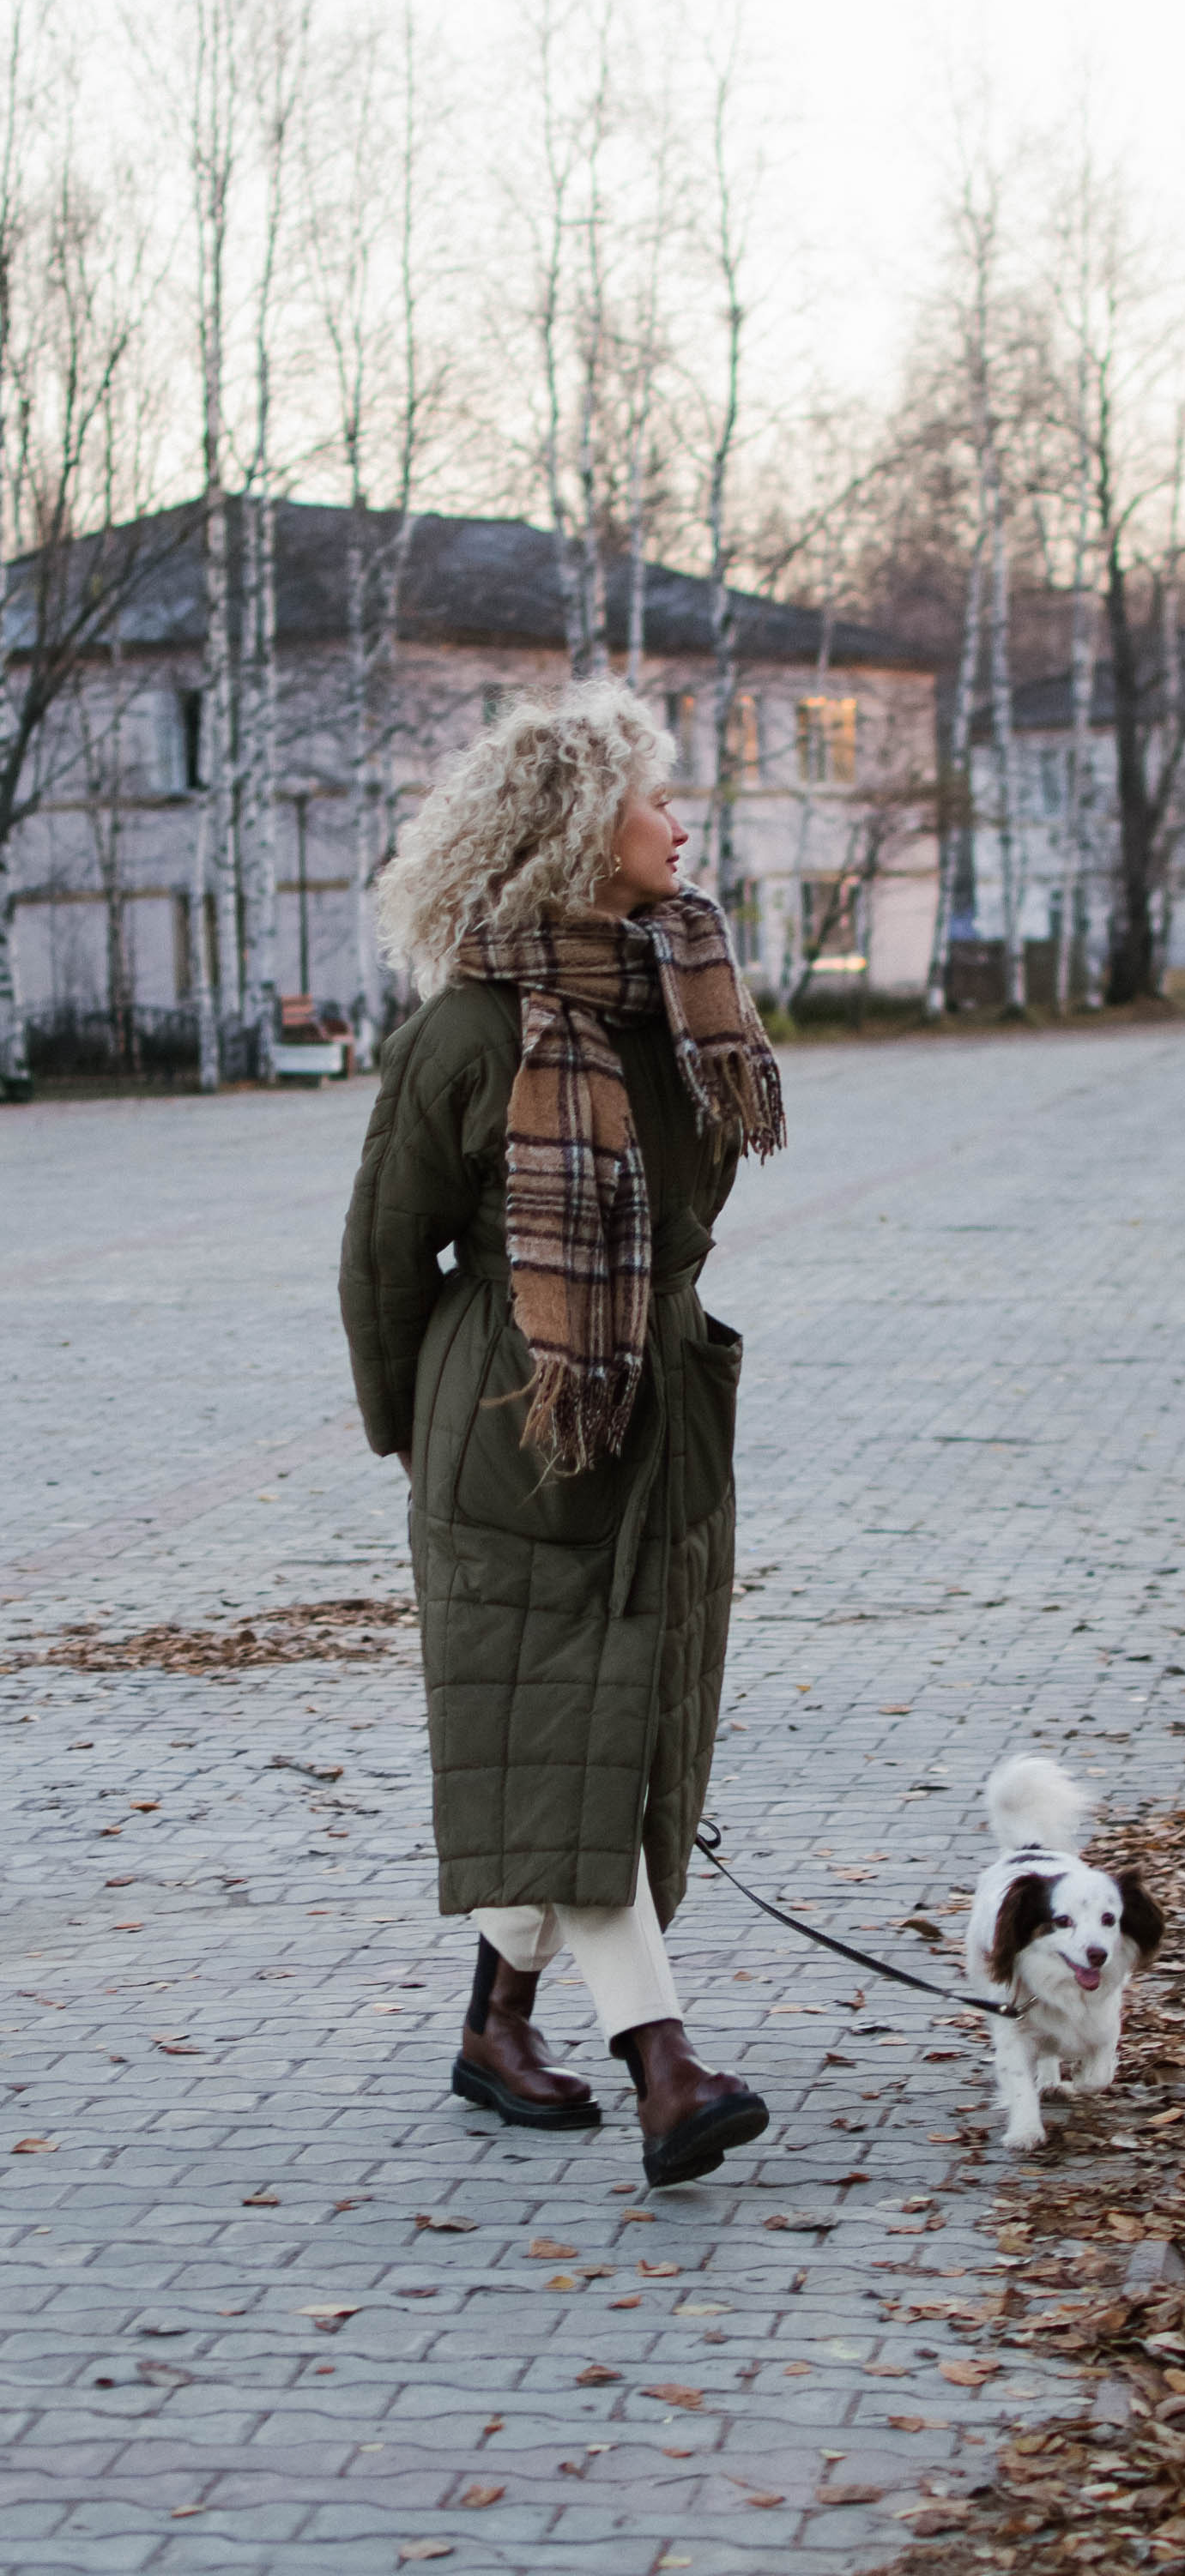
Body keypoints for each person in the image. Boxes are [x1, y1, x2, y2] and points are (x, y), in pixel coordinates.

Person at [338, 680, 784, 2190]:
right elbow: (383, 1259)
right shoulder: (463, 1032)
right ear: (581, 840)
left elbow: (700, 1200)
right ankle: (663, 2067)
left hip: (656, 1403)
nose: (678, 820)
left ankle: (494, 2025)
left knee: (604, 1732)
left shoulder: (680, 993)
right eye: (651, 801)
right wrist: (430, 1447)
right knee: (578, 1742)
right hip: (515, 1417)